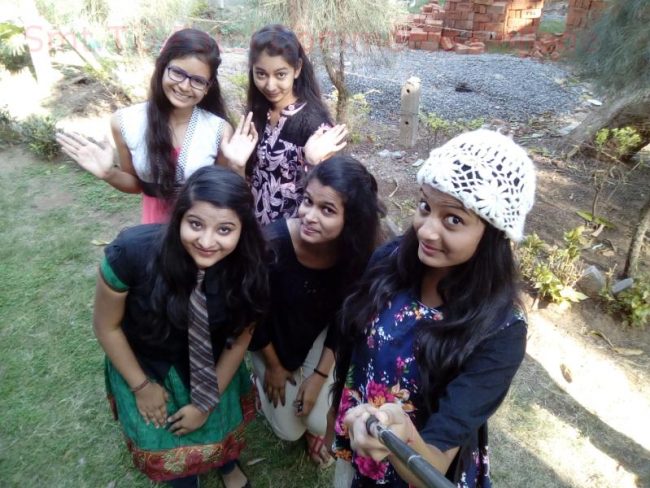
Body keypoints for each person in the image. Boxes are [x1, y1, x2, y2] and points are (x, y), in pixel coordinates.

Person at [331, 130, 536, 487]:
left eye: (453, 219)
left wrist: (400, 435)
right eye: (426, 206)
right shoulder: (391, 261)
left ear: (493, 233)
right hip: (360, 439)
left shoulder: (501, 331)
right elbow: (353, 347)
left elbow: (435, 465)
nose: (426, 231)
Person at [93, 166, 268, 488]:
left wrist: (207, 400)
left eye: (225, 229)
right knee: (172, 449)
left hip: (216, 364)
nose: (206, 241)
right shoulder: (130, 254)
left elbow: (241, 337)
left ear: (243, 230)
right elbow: (107, 327)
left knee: (220, 423)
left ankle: (227, 463)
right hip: (148, 366)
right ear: (178, 217)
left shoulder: (251, 268)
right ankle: (183, 478)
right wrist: (142, 388)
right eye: (195, 224)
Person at [248, 156, 384, 468]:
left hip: (317, 334)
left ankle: (312, 416)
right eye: (308, 201)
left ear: (352, 219)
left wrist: (319, 376)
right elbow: (251, 317)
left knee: (319, 423)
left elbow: (343, 320)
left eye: (327, 210)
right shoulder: (272, 246)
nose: (309, 216)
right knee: (288, 431)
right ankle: (258, 382)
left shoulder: (358, 254)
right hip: (269, 337)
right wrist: (274, 367)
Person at [57, 28, 257, 224]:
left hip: (200, 232)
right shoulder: (125, 122)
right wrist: (109, 173)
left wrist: (238, 167)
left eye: (197, 80)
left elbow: (223, 192)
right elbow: (136, 185)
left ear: (208, 86)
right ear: (162, 67)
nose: (184, 86)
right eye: (177, 72)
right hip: (151, 232)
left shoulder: (219, 130)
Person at [227, 24, 349, 225]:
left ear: (297, 69)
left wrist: (312, 163)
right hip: (253, 228)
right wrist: (237, 166)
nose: (270, 85)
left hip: (292, 234)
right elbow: (249, 179)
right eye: (261, 74)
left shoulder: (314, 125)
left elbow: (330, 195)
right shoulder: (258, 114)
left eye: (280, 74)